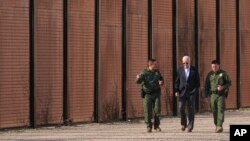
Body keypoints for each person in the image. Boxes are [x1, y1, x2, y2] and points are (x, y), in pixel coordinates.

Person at [136, 59, 164, 133]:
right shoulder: (144, 73)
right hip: (147, 94)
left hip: (156, 93)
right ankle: (149, 126)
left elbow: (161, 79)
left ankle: (157, 126)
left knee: (157, 110)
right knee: (147, 111)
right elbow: (138, 82)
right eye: (155, 64)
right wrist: (138, 78)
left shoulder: (157, 72)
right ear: (150, 65)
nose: (156, 65)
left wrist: (161, 82)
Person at [175, 56, 200, 132]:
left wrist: (195, 90)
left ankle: (190, 126)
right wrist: (176, 91)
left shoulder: (194, 70)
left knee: (191, 109)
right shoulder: (180, 70)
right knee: (181, 108)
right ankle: (184, 123)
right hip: (182, 92)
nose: (185, 64)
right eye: (184, 63)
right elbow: (177, 81)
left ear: (190, 62)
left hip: (191, 92)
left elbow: (197, 82)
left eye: (187, 63)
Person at [205, 60, 231, 133]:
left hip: (221, 95)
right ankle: (217, 125)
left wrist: (222, 87)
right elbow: (206, 85)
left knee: (220, 110)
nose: (214, 68)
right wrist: (206, 96)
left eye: (215, 67)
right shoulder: (209, 74)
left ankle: (219, 125)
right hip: (213, 95)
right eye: (213, 67)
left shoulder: (223, 73)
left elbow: (229, 83)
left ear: (218, 66)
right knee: (214, 111)